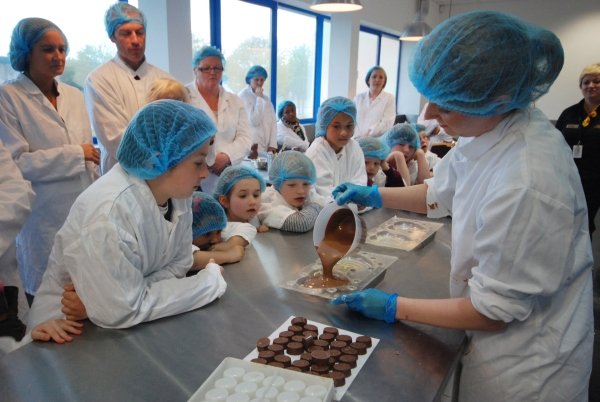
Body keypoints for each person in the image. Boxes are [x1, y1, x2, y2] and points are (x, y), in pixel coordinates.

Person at [331, 11, 592, 402]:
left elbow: (493, 312)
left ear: (497, 98)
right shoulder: (488, 126)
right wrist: (375, 194)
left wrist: (392, 306)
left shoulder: (528, 178)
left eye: (445, 105)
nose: (428, 115)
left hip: (526, 368)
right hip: (493, 339)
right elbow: (443, 190)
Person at [27, 100, 227, 333]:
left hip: (102, 320)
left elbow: (179, 264)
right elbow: (126, 310)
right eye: (198, 162)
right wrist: (208, 281)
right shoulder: (109, 213)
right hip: (64, 329)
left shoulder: (176, 195)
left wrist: (108, 299)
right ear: (161, 158)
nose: (205, 172)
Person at [0, 18, 99, 304]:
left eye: (62, 49)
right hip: (41, 215)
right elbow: (15, 164)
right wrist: (76, 154)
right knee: (47, 300)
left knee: (84, 294)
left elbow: (89, 158)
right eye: (47, 49)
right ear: (25, 52)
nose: (58, 56)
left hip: (81, 206)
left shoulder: (75, 96)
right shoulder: (8, 97)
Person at [85, 2, 172, 175]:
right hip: (122, 174)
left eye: (140, 32)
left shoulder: (165, 78)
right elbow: (115, 137)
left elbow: (175, 127)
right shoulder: (99, 79)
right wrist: (155, 165)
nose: (135, 40)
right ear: (112, 37)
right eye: (126, 33)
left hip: (166, 174)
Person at [186, 46, 252, 194]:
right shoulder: (184, 97)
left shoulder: (235, 101)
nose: (212, 72)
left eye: (217, 68)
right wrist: (209, 160)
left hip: (229, 173)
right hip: (194, 176)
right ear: (195, 70)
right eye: (206, 68)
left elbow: (245, 137)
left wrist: (227, 156)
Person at [556, 63, 600, 236]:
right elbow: (555, 142)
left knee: (586, 222)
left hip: (596, 181)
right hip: (570, 179)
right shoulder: (570, 113)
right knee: (571, 222)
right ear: (580, 87)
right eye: (586, 82)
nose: (590, 86)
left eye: (596, 81)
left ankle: (585, 260)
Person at [305, 97, 367, 203]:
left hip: (350, 210)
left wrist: (357, 198)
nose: (343, 132)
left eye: (349, 126)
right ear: (324, 126)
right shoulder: (317, 152)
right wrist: (351, 201)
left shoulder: (354, 148)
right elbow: (322, 193)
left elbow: (360, 181)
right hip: (323, 212)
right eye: (336, 126)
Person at [258, 151, 325, 233]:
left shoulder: (307, 192)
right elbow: (301, 223)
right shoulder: (268, 200)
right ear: (277, 184)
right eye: (292, 185)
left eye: (306, 184)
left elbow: (326, 204)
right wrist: (316, 204)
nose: (301, 191)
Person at [214, 164, 268, 249]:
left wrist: (257, 227)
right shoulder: (220, 230)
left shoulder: (253, 217)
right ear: (225, 201)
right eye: (243, 196)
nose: (252, 202)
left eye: (256, 195)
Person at [189, 191, 245, 270]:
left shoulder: (216, 226)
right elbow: (189, 260)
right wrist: (229, 255)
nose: (215, 240)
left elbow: (246, 227)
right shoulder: (176, 244)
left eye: (219, 232)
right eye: (207, 234)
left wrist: (228, 245)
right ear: (187, 231)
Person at [238, 65, 277, 159]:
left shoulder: (266, 99)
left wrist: (273, 144)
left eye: (262, 80)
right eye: (256, 79)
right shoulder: (243, 96)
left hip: (266, 146)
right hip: (250, 147)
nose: (260, 83)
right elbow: (254, 120)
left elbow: (273, 122)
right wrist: (259, 98)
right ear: (249, 80)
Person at [354, 66, 396, 138]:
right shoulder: (358, 98)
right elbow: (352, 119)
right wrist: (357, 135)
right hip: (356, 139)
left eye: (381, 77)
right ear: (368, 80)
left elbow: (387, 123)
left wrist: (367, 135)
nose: (377, 80)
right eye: (374, 77)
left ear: (384, 82)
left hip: (377, 141)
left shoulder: (389, 98)